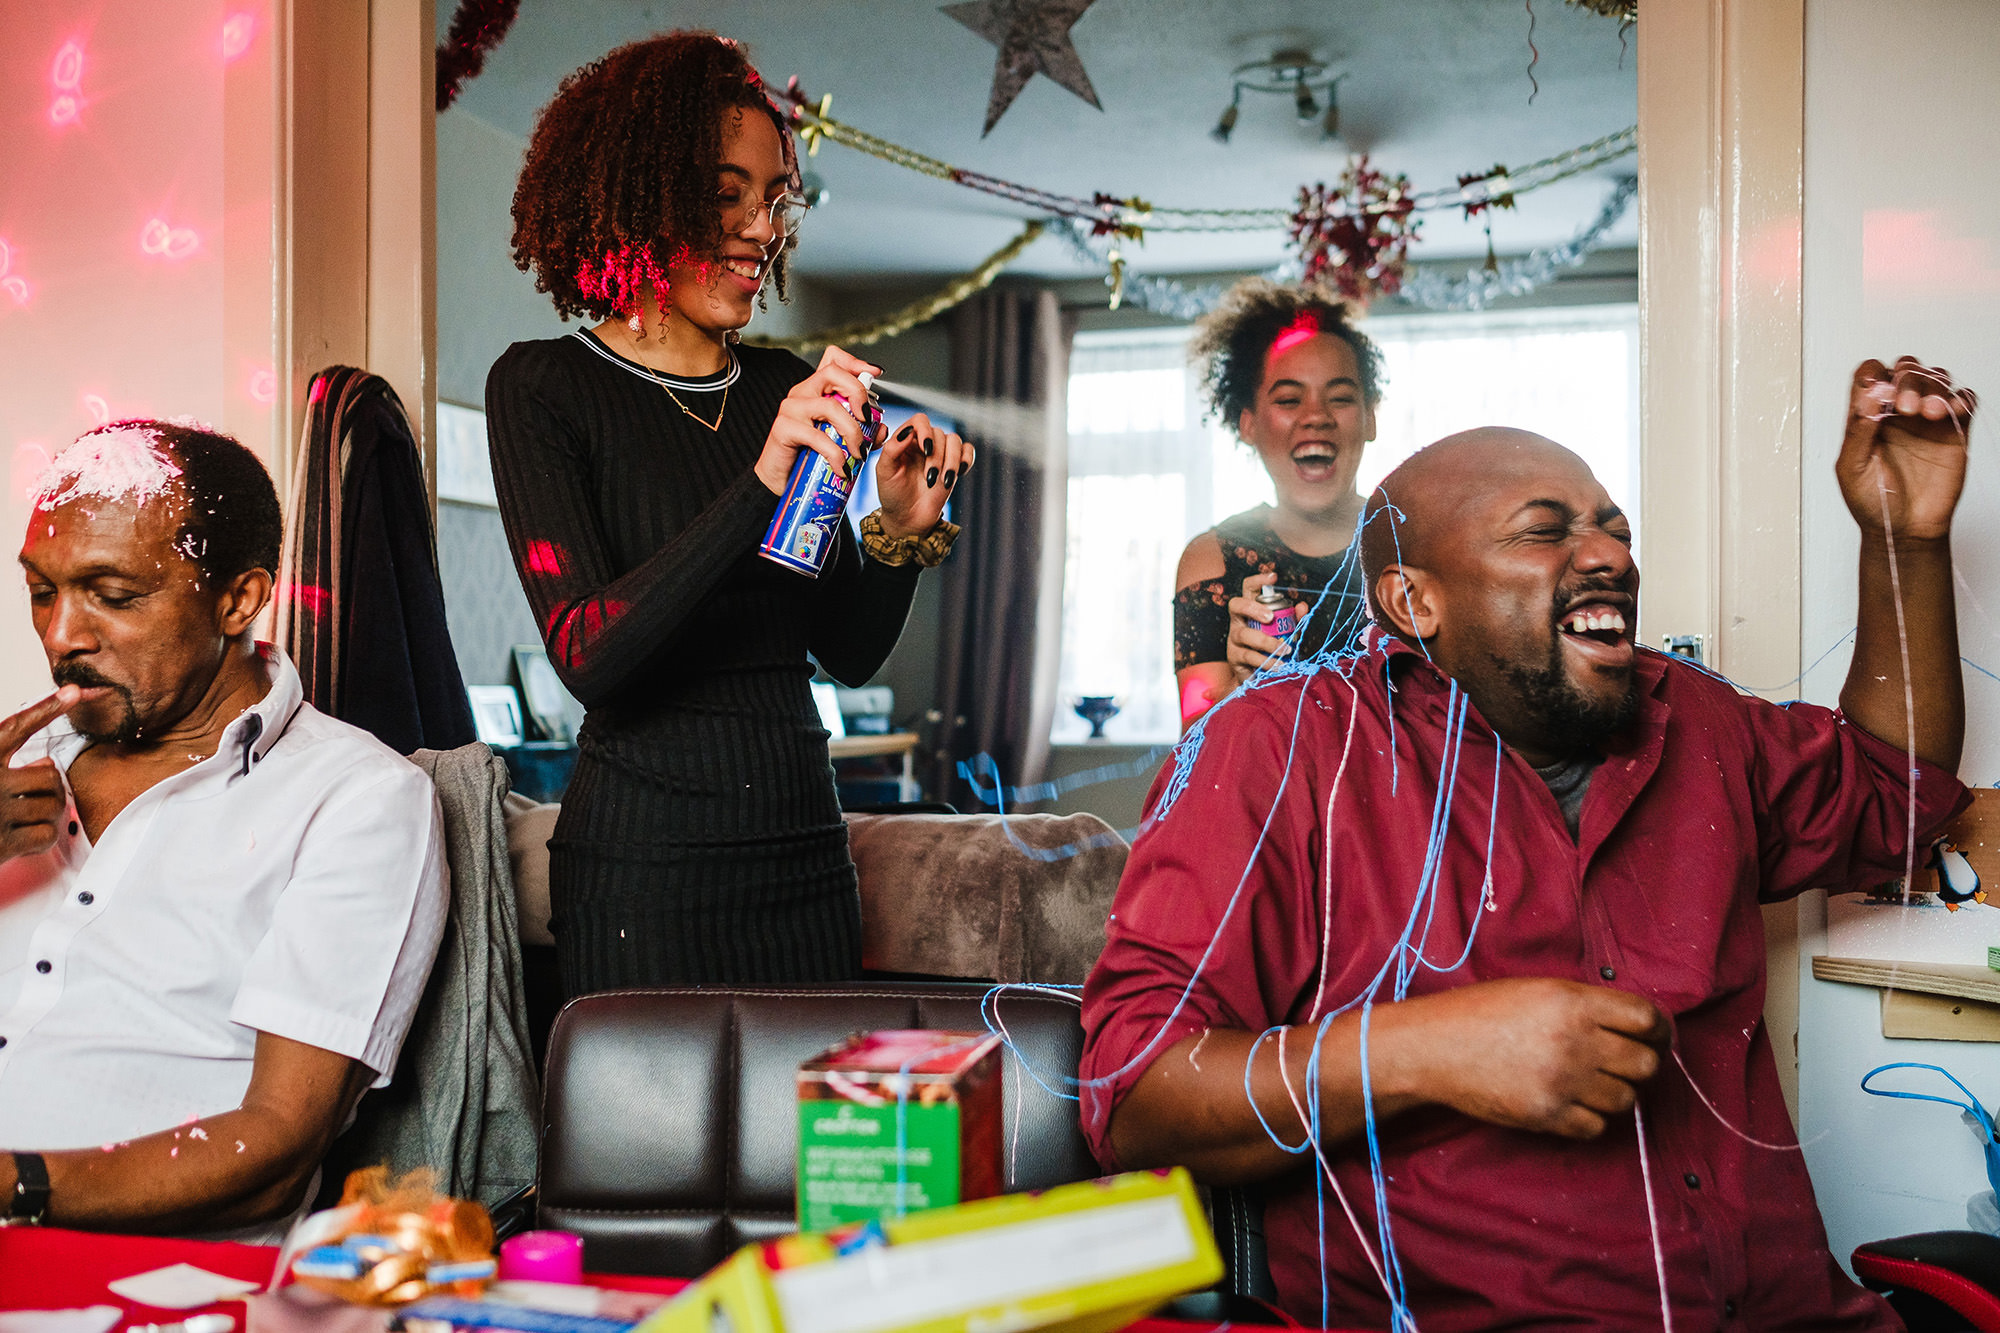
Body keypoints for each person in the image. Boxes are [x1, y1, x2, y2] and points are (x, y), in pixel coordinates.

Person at [1080, 358, 1976, 1330]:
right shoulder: (1275, 752)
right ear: (1411, 602)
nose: (1604, 555)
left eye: (1612, 529)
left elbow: (1897, 794)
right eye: (1544, 532)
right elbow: (1131, 1092)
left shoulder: (1700, 723)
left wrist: (1902, 542)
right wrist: (1419, 1050)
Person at [487, 32, 968, 995]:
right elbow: (590, 656)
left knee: (814, 1152)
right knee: (652, 1152)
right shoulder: (543, 388)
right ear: (638, 193)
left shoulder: (785, 390)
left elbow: (846, 650)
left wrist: (898, 540)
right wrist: (759, 482)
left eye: (775, 200)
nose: (761, 228)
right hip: (642, 877)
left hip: (805, 860)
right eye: (724, 193)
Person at [0, 420, 446, 1240]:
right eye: (41, 591)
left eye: (112, 593)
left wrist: (14, 1185)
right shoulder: (13, 768)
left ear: (239, 598)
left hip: (143, 1281)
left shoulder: (354, 799)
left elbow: (276, 1149)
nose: (62, 634)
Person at [1173, 281, 1382, 730]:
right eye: (1289, 399)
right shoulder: (1212, 559)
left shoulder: (1416, 541)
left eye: (1341, 397)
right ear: (1247, 423)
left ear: (1370, 417)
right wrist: (1240, 686)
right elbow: (1194, 746)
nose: (1316, 416)